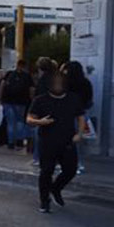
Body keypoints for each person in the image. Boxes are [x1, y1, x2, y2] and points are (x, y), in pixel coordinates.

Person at [26, 72, 86, 213]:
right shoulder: (40, 100)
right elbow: (29, 119)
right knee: (46, 171)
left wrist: (80, 134)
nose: (58, 86)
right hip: (47, 141)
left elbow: (81, 117)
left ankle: (56, 188)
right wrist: (40, 122)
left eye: (61, 83)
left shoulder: (73, 98)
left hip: (68, 140)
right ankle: (44, 200)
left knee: (70, 170)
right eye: (55, 83)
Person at [0, 59, 34, 150]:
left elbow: (2, 86)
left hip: (8, 101)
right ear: (24, 66)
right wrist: (32, 99)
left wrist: (0, 99)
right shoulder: (27, 76)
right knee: (20, 121)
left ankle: (10, 142)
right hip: (22, 102)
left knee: (10, 123)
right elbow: (31, 89)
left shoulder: (9, 74)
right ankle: (19, 141)